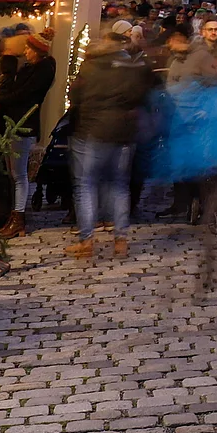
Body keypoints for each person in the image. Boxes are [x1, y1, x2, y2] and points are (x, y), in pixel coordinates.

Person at [64, 21, 151, 259]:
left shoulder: (90, 66)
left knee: (86, 185)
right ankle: (120, 240)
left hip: (92, 130)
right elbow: (139, 96)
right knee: (120, 185)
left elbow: (76, 98)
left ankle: (87, 240)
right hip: (123, 132)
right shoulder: (130, 67)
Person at [0, 27, 56, 236]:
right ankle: (15, 215)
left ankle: (18, 218)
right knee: (15, 173)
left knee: (19, 174)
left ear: (37, 51)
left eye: (29, 49)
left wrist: (4, 95)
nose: (25, 52)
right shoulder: (31, 69)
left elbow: (19, 95)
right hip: (16, 124)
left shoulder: (41, 71)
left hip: (23, 125)